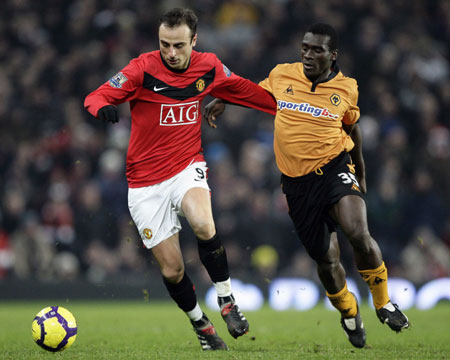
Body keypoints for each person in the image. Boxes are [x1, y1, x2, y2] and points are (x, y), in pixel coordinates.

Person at [204, 23, 409, 348]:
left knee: (358, 233)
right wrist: (224, 100)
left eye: (317, 50)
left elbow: (352, 130)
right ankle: (349, 312)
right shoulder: (283, 74)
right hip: (297, 186)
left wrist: (361, 172)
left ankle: (384, 302)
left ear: (333, 55)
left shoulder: (346, 88)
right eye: (305, 48)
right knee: (327, 261)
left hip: (335, 169)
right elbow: (253, 93)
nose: (309, 54)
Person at [84, 8, 276, 351]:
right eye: (164, 44)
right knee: (172, 271)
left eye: (178, 45)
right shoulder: (141, 69)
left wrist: (286, 107)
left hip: (186, 166)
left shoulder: (209, 66)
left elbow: (245, 91)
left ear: (194, 41)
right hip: (144, 184)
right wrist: (102, 108)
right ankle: (202, 326)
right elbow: (95, 95)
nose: (170, 53)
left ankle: (227, 299)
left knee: (203, 222)